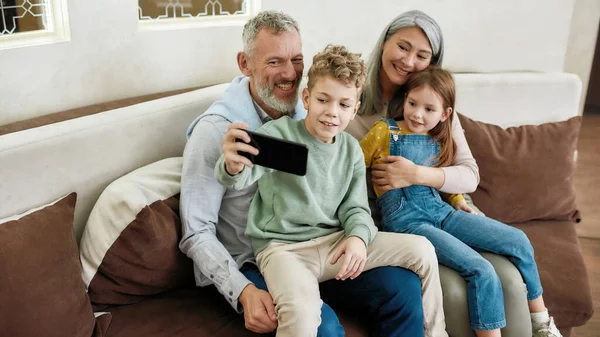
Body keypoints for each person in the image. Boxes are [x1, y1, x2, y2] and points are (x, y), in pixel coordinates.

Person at [180, 11, 437, 337]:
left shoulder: (311, 115)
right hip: (259, 260)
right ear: (245, 64)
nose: (290, 73)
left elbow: (347, 196)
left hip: (322, 249)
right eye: (274, 62)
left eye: (296, 59)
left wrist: (357, 236)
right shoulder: (216, 130)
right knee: (322, 328)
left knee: (401, 287)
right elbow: (196, 233)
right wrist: (242, 291)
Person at [360, 65, 562, 337]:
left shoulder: (440, 139)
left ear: (446, 115)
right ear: (404, 99)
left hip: (441, 211)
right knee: (482, 270)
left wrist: (457, 200)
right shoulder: (384, 131)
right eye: (412, 103)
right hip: (407, 221)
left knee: (518, 240)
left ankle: (541, 324)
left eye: (429, 109)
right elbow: (351, 165)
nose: (418, 114)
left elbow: (446, 179)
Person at [345, 10, 479, 203]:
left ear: (431, 64)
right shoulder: (346, 95)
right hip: (383, 215)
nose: (408, 62)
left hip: (447, 206)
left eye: (421, 56)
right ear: (384, 42)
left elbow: (469, 175)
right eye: (402, 47)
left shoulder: (436, 108)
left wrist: (416, 174)